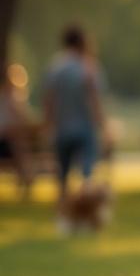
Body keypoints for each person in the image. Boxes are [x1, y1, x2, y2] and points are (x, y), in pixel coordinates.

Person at [41, 25, 109, 204]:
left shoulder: (56, 68)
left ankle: (63, 210)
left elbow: (49, 101)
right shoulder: (88, 67)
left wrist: (48, 127)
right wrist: (104, 127)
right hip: (84, 129)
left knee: (63, 175)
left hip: (61, 129)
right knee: (87, 173)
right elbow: (95, 101)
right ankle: (88, 209)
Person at [0, 69, 36, 195]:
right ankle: (27, 177)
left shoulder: (11, 99)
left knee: (19, 143)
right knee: (18, 144)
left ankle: (26, 178)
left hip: (9, 140)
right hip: (6, 141)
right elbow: (22, 119)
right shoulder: (10, 99)